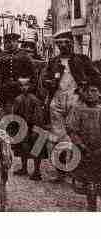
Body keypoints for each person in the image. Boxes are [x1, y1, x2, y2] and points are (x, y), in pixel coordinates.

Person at [43, 29, 101, 182]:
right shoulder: (53, 61)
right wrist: (49, 83)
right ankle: (61, 171)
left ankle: (78, 172)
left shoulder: (82, 59)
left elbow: (96, 77)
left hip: (76, 100)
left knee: (75, 135)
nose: (63, 46)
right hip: (57, 100)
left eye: (66, 43)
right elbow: (44, 79)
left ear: (72, 43)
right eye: (60, 43)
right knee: (58, 136)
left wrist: (85, 88)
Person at [66, 81, 101, 211]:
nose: (90, 94)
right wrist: (81, 145)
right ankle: (91, 206)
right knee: (89, 179)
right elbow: (71, 129)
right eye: (88, 91)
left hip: (99, 151)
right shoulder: (77, 109)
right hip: (84, 150)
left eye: (94, 91)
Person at [11, 78, 46, 180]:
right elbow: (15, 115)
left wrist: (36, 127)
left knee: (37, 148)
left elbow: (38, 115)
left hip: (34, 126)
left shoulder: (35, 99)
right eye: (21, 86)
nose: (24, 88)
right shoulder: (18, 99)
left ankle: (37, 171)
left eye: (26, 85)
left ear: (30, 86)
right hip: (23, 126)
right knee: (23, 147)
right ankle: (24, 168)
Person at [0, 33, 35, 111]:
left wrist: (27, 85)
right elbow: (0, 74)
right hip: (7, 90)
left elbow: (32, 73)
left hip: (20, 89)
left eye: (14, 41)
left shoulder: (24, 55)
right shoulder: (3, 56)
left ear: (17, 43)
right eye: (9, 42)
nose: (11, 44)